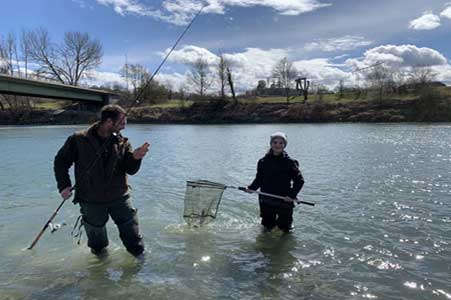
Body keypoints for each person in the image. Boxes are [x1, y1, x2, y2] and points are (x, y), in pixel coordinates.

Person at [54, 104, 150, 257]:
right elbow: (60, 162)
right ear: (109, 122)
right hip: (90, 199)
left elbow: (130, 170)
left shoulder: (123, 142)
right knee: (98, 247)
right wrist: (64, 186)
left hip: (120, 197)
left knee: (135, 242)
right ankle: (100, 275)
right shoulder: (78, 139)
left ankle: (139, 267)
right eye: (122, 123)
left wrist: (135, 158)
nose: (124, 127)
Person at [246, 132, 304, 233]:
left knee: (285, 229)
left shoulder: (290, 162)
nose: (277, 145)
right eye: (275, 142)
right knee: (267, 226)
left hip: (284, 200)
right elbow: (259, 179)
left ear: (284, 145)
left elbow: (299, 181)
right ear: (271, 144)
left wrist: (291, 195)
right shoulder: (263, 161)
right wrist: (251, 188)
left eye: (281, 143)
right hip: (266, 199)